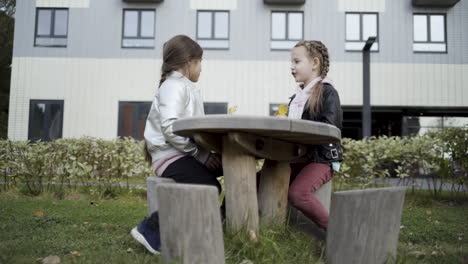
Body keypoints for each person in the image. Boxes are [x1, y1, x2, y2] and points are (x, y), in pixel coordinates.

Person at [130, 35, 223, 254]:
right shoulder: (173, 86)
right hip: (171, 157)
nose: (201, 69)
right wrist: (202, 156)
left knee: (229, 166)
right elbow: (171, 128)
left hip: (182, 155)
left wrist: (208, 153)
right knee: (209, 187)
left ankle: (221, 222)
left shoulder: (182, 86)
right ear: (190, 61)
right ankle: (149, 229)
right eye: (201, 63)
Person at [287, 40, 343, 231]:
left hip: (321, 158)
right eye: (292, 63)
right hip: (296, 158)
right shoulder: (295, 99)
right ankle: (223, 218)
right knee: (257, 180)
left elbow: (330, 128)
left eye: (296, 61)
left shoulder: (328, 92)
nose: (292, 67)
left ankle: (338, 232)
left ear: (314, 63)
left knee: (298, 194)